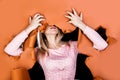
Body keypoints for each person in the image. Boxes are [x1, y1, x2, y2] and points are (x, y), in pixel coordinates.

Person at [4, 8, 108, 80]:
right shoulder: (39, 51)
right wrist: (30, 27)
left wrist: (81, 24)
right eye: (48, 25)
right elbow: (9, 50)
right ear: (42, 31)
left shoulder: (72, 46)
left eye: (55, 24)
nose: (53, 25)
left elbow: (102, 45)